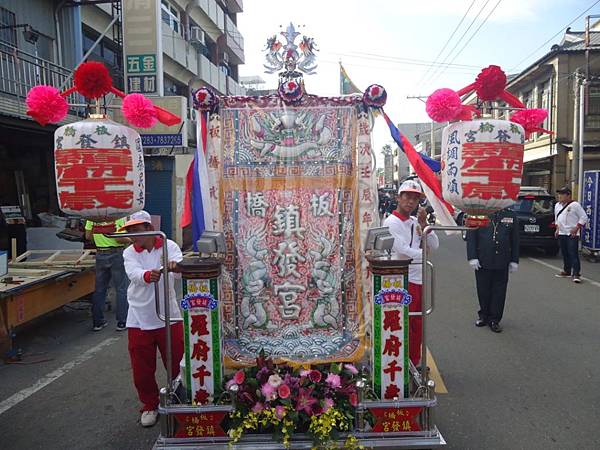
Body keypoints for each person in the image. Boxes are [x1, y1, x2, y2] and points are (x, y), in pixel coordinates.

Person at [120, 210, 185, 427]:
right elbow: (134, 274)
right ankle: (149, 404)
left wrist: (175, 267)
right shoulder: (129, 252)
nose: (133, 236)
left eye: (137, 231)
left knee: (178, 361)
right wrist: (148, 275)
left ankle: (180, 399)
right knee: (142, 368)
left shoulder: (169, 245)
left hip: (169, 314)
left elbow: (179, 269)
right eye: (130, 232)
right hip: (139, 316)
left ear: (150, 229)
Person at [384, 179, 439, 367]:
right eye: (407, 196)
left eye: (415, 199)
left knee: (417, 324)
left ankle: (414, 362)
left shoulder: (416, 221)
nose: (411, 202)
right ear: (399, 198)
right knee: (403, 324)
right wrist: (424, 254)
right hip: (401, 279)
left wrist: (424, 226)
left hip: (418, 278)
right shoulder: (391, 222)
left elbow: (434, 244)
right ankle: (401, 364)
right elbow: (403, 250)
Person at [466, 209, 519, 333]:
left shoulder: (510, 215)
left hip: (502, 259)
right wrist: (472, 256)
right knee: (483, 289)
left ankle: (495, 319)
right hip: (483, 258)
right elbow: (471, 235)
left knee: (499, 291)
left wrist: (514, 260)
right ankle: (484, 315)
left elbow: (515, 239)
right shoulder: (478, 213)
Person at [85, 218, 130, 331]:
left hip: (100, 253)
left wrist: (101, 239)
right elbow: (120, 239)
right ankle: (122, 322)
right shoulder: (117, 216)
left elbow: (88, 236)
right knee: (121, 289)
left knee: (100, 289)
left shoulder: (92, 216)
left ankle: (97, 322)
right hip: (116, 254)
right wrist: (131, 239)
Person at [554, 186, 588, 283]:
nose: (559, 196)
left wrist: (576, 227)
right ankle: (567, 270)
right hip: (561, 232)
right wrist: (557, 229)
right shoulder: (557, 205)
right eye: (559, 194)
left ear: (568, 195)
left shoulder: (575, 205)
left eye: (562, 194)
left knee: (573, 253)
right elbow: (557, 218)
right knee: (564, 253)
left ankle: (576, 273)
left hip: (572, 233)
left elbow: (584, 217)